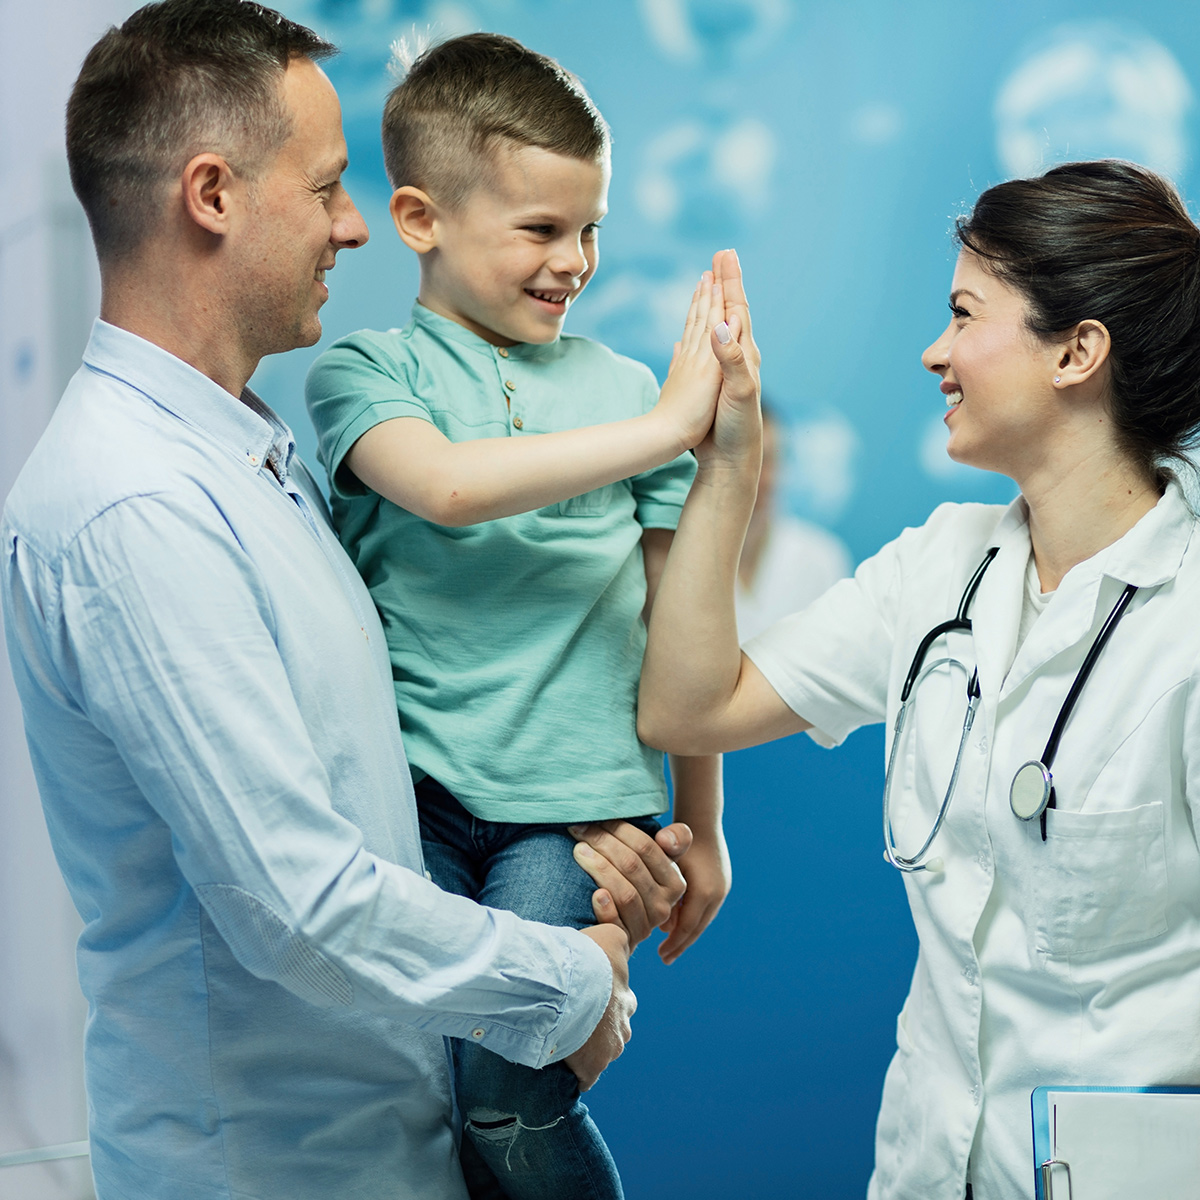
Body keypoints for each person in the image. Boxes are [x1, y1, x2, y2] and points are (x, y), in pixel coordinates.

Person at [0, 5, 692, 1198]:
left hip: (393, 1145)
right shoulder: (135, 511)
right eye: (326, 189)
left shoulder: (253, 458)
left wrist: (598, 891)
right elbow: (299, 904)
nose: (356, 224)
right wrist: (572, 981)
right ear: (212, 195)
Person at [638, 161, 1200, 1198]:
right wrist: (729, 460)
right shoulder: (937, 570)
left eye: (964, 314)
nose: (934, 352)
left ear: (1079, 350)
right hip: (930, 1169)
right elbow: (688, 706)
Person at [304, 34, 732, 1200]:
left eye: (590, 228)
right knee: (424, 1091)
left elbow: (679, 623)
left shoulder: (625, 388)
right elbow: (446, 487)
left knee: (505, 1088)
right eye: (542, 231)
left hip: (575, 825)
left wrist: (704, 823)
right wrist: (668, 429)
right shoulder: (362, 375)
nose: (575, 261)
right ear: (418, 217)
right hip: (419, 812)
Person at [735, 403, 852, 641]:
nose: (767, 477)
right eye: (751, 460)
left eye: (774, 459)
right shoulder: (677, 556)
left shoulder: (820, 558)